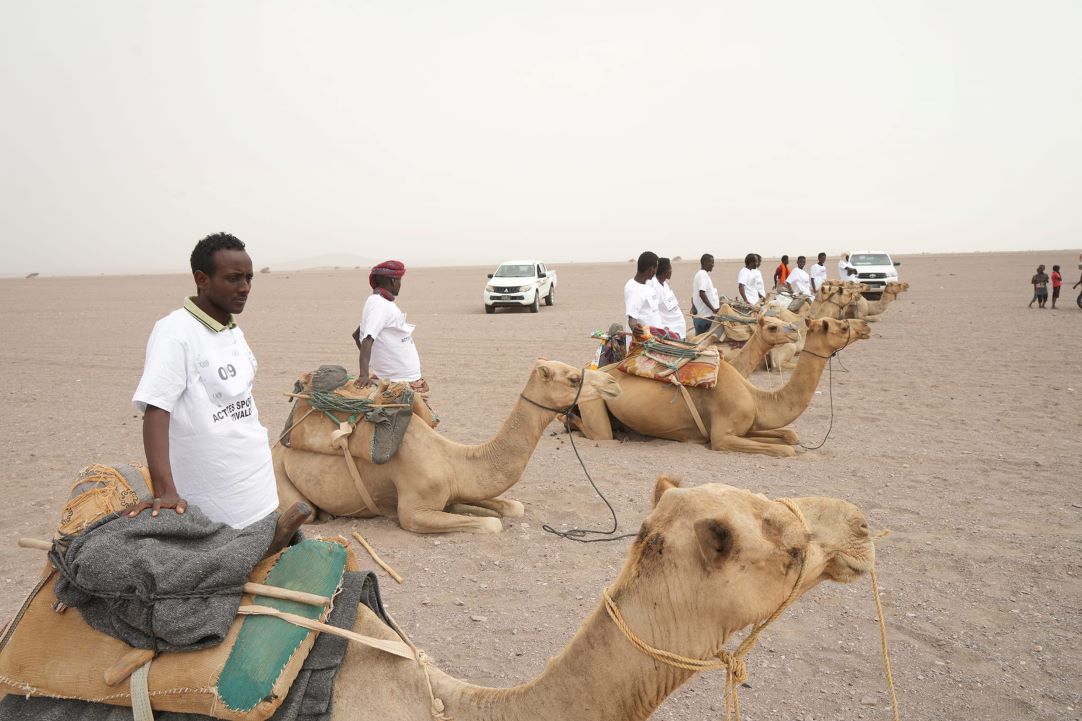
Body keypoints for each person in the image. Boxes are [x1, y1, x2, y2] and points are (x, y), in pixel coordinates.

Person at [129, 233, 279, 528]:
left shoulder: (232, 329)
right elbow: (157, 409)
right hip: (215, 500)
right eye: (233, 278)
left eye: (249, 278)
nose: (245, 287)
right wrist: (165, 491)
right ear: (202, 279)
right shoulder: (175, 332)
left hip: (258, 487)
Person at [352, 260, 435, 408]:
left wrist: (378, 362)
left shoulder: (377, 302)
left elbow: (357, 333)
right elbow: (367, 338)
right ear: (392, 281)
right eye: (399, 281)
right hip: (400, 381)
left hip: (400, 376)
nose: (400, 285)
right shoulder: (380, 305)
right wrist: (364, 374)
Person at [625, 251, 662, 347]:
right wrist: (633, 327)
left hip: (656, 340)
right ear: (650, 269)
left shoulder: (647, 283)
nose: (655, 272)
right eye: (655, 269)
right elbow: (632, 318)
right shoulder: (634, 290)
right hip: (643, 344)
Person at [648, 257, 686, 339]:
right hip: (668, 327)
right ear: (664, 270)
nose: (671, 271)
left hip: (677, 326)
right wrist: (661, 328)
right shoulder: (654, 286)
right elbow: (653, 310)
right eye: (670, 268)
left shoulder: (664, 284)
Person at [691, 253, 721, 335]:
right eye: (711, 262)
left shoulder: (703, 275)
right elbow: (701, 293)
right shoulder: (702, 275)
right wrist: (713, 309)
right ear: (704, 262)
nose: (713, 265)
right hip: (705, 317)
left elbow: (694, 294)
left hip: (705, 316)